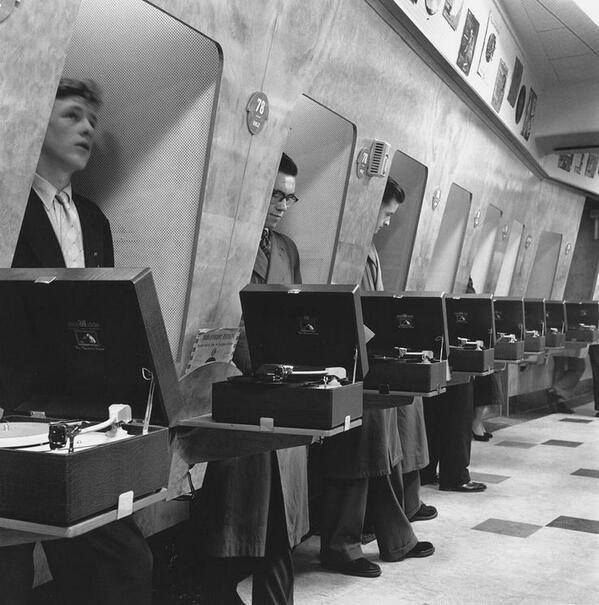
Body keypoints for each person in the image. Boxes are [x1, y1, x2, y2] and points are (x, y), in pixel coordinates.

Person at [5, 78, 152, 605]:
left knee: (120, 565)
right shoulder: (7, 209)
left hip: (80, 415)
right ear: (34, 121)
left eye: (92, 120)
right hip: (11, 412)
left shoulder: (95, 221)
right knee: (10, 575)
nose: (87, 129)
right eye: (72, 116)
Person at [198, 153, 307, 605]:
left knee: (276, 515)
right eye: (275, 194)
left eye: (289, 196)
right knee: (237, 512)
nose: (283, 204)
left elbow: (296, 313)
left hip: (282, 390)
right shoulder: (228, 243)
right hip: (238, 388)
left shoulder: (286, 250)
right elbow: (221, 315)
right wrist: (256, 369)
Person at [319, 178, 434, 580]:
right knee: (363, 451)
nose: (387, 223)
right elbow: (345, 310)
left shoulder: (368, 250)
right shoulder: (349, 249)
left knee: (381, 448)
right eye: (385, 214)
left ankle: (392, 535)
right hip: (349, 362)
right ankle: (344, 544)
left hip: (366, 358)